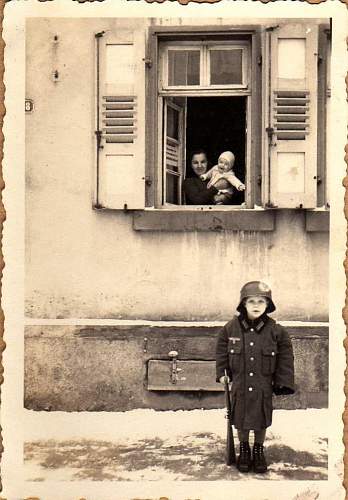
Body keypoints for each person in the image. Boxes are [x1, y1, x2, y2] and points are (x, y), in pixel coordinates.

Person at [216, 281, 295, 474]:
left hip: (263, 384)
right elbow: (221, 351)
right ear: (243, 304)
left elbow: (285, 356)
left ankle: (258, 450)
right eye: (251, 301)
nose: (256, 305)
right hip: (240, 384)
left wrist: (283, 382)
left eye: (261, 301)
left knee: (261, 417)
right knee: (240, 417)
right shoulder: (231, 328)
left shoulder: (277, 331)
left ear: (268, 305)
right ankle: (244, 449)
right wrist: (221, 373)